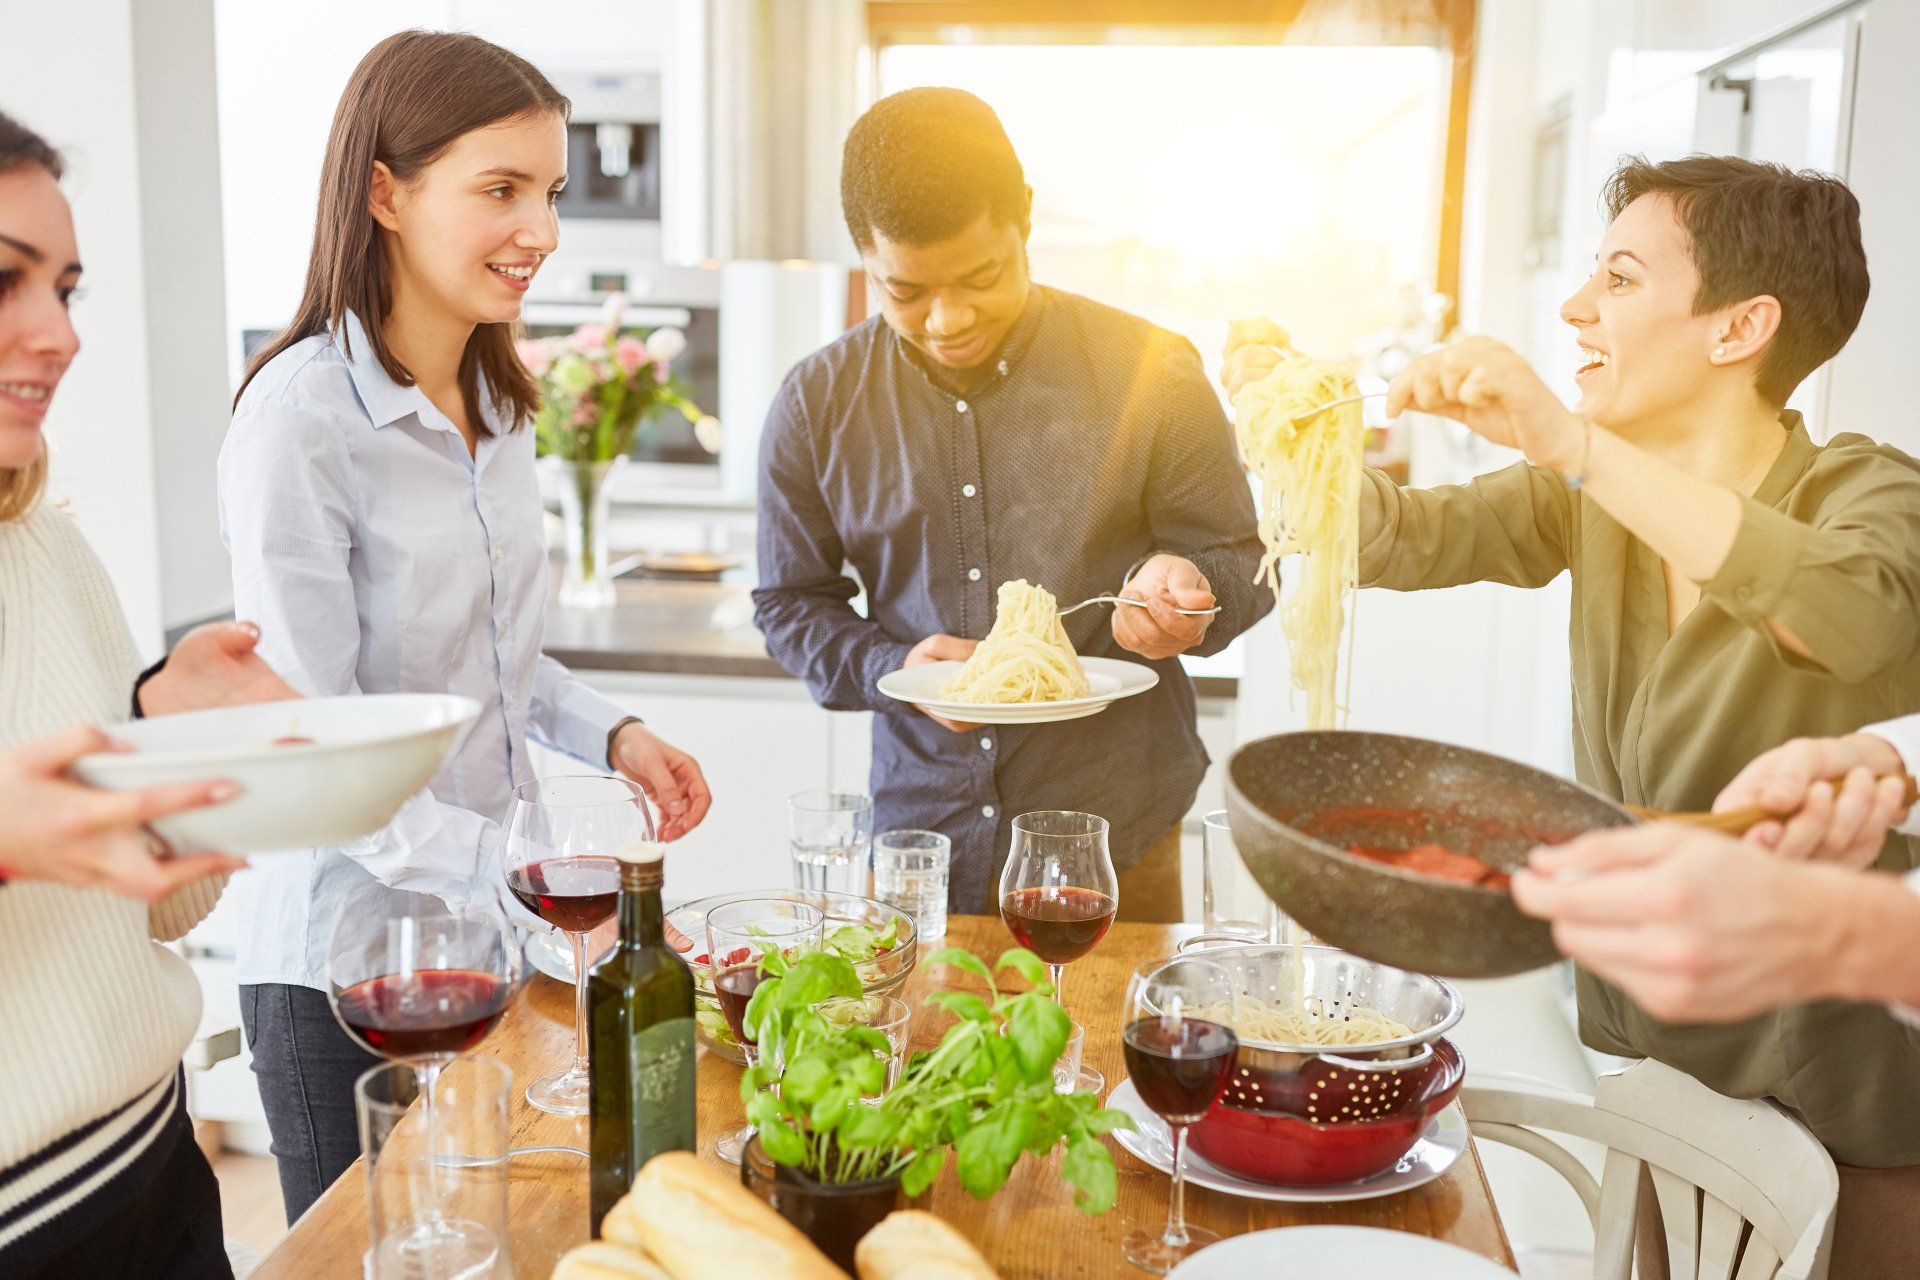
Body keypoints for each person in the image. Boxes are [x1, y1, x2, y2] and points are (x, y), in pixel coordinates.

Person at [1223, 155, 1920, 1279]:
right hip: (1665, 1041)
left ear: (1740, 327)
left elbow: (1841, 612)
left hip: (1855, 1077)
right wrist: (1286, 409)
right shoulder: (1588, 496)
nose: (1576, 307)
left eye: (1622, 279)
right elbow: (1396, 535)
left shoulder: (1871, 492)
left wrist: (1572, 441)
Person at [217, 31, 711, 1222]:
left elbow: (496, 651)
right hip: (347, 962)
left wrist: (617, 735)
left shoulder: (497, 401)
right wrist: (508, 871)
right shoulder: (301, 418)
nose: (538, 230)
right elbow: (319, 739)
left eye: (547, 193)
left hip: (484, 936)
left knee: (491, 1236)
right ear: (384, 192)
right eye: (499, 191)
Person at [752, 88, 1271, 919]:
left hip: (1117, 830)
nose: (948, 318)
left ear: (1023, 220)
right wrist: (893, 669)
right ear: (864, 256)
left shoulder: (1152, 369)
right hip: (923, 842)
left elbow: (1243, 561)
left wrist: (1190, 592)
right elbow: (788, 604)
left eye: (981, 277)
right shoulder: (817, 402)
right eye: (906, 291)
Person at [0, 111, 300, 1280]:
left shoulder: (48, 546)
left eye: (66, 288)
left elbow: (161, 912)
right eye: (6, 280)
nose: (58, 333)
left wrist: (184, 753)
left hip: (157, 1179)